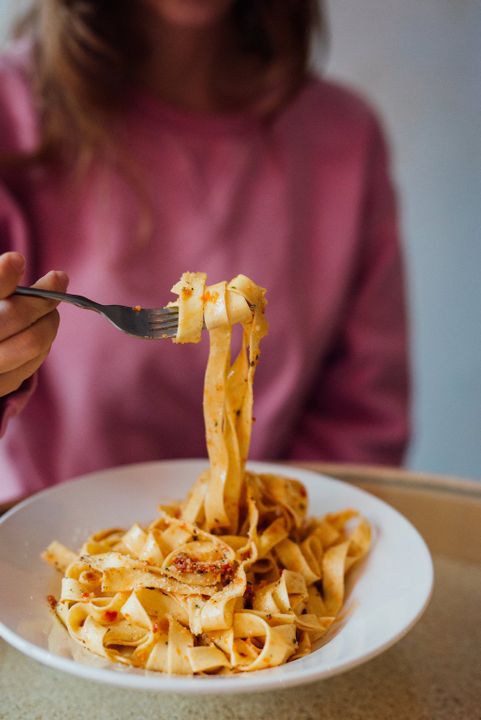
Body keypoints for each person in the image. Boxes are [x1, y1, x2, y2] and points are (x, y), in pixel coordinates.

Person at [0, 0, 410, 506]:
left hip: (267, 546)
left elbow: (362, 419)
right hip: (32, 547)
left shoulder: (345, 135)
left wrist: (272, 532)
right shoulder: (9, 108)